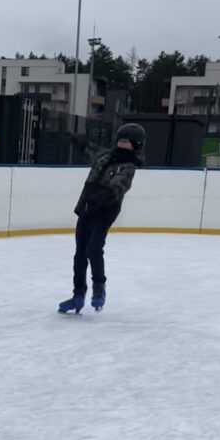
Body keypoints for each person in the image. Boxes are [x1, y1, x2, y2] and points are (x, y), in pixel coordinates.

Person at [58, 123, 146, 314]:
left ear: (136, 146)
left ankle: (99, 288)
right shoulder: (105, 155)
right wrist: (75, 138)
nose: (122, 145)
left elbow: (118, 187)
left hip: (105, 210)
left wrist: (100, 196)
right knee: (80, 253)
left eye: (127, 143)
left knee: (94, 248)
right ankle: (78, 294)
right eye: (120, 141)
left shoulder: (128, 167)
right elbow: (88, 148)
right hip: (86, 207)